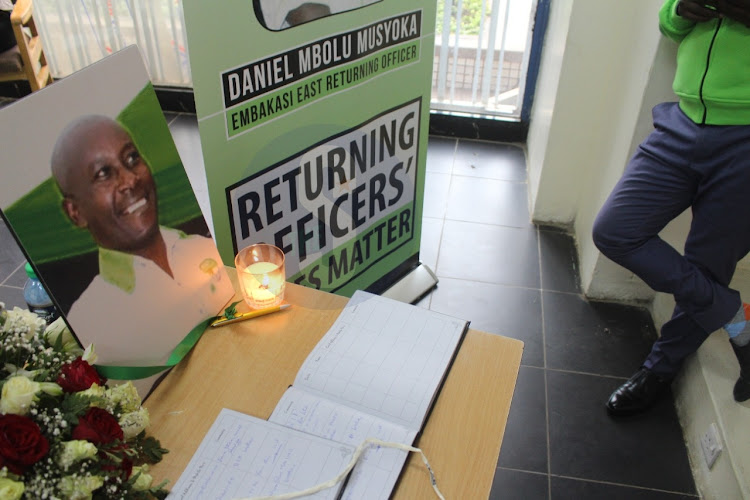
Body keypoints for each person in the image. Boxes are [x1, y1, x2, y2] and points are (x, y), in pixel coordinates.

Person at [592, 0, 750, 417]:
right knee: (615, 230)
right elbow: (669, 23)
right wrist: (681, 9)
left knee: (708, 263)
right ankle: (734, 314)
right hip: (682, 121)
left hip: (746, 137)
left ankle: (659, 369)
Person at [51, 114, 233, 394]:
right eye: (104, 174)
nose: (130, 180)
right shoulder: (90, 322)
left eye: (132, 159)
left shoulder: (204, 247)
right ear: (75, 212)